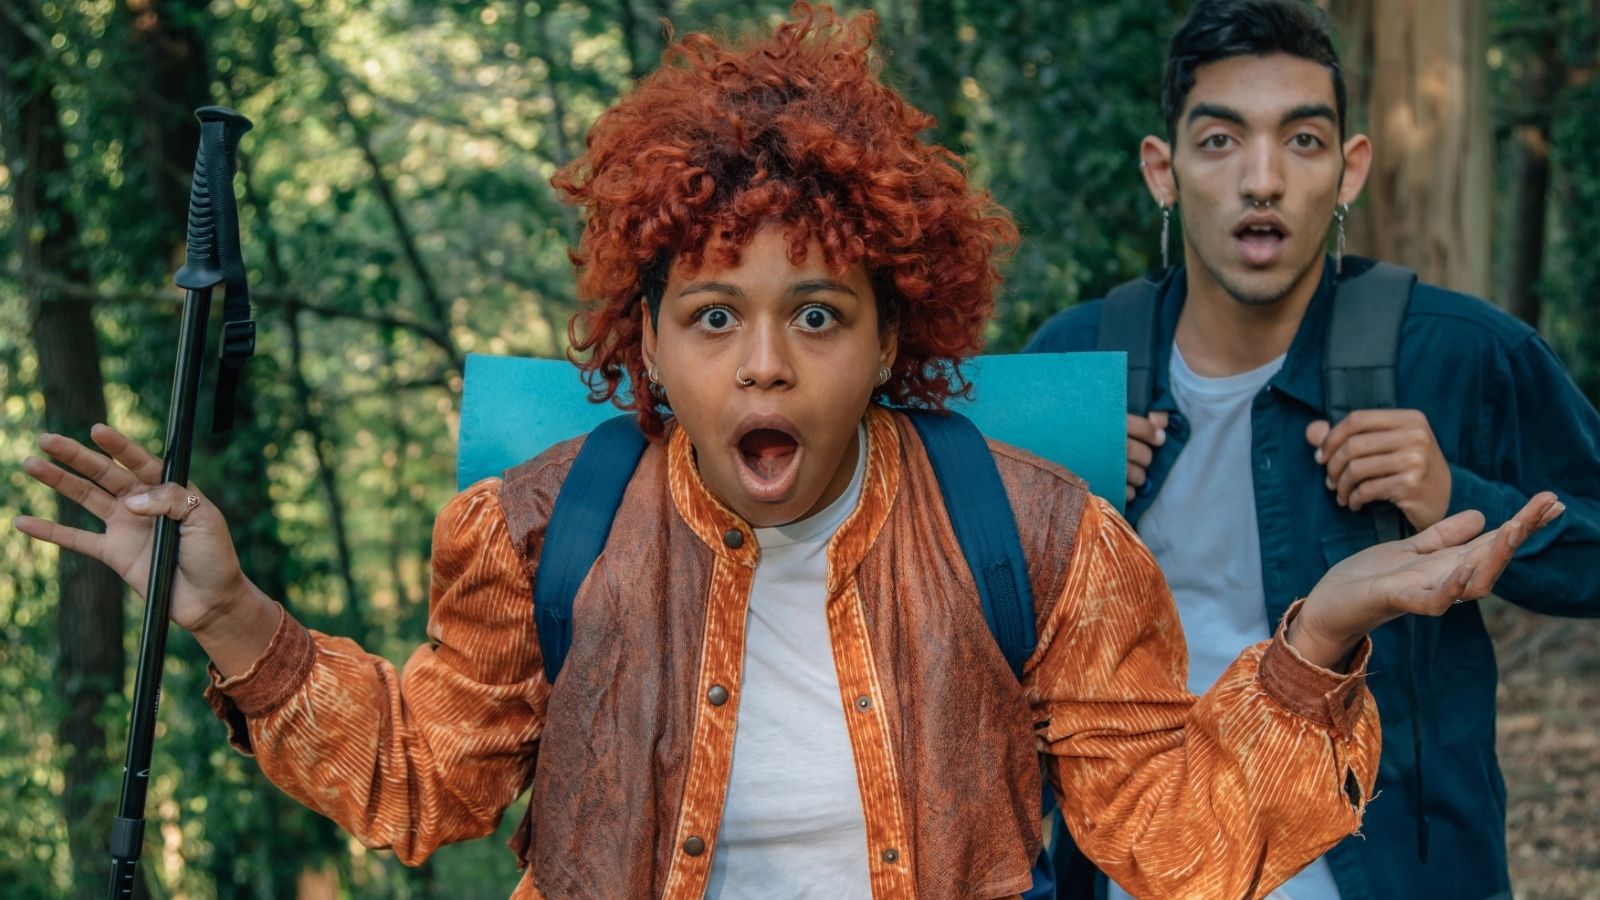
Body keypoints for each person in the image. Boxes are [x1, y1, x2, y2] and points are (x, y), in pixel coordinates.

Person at [16, 5, 1559, 899]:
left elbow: (1176, 840)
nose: (764, 360)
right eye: (712, 317)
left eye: (817, 315)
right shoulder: (542, 530)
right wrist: (227, 615)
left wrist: (1324, 634)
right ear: (644, 345)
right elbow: (428, 778)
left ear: (897, 339)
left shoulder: (1039, 538)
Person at [1025, 1, 1600, 898]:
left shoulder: (1458, 354)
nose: (1263, 180)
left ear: (1348, 170)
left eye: (1302, 141)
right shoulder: (1074, 363)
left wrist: (1456, 491)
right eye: (1220, 142)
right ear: (1162, 170)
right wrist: (1052, 513)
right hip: (1136, 873)